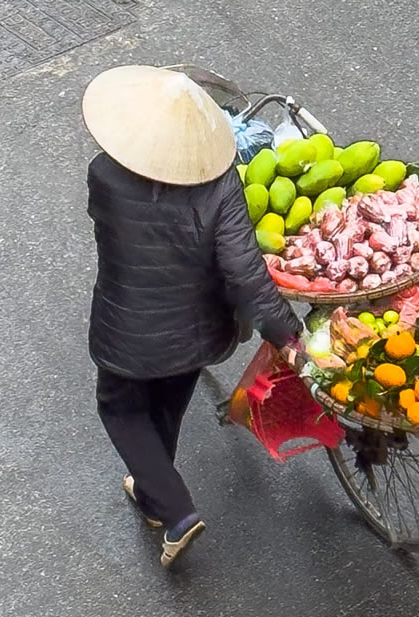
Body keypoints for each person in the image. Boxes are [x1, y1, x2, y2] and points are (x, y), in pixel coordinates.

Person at [82, 65, 302, 568]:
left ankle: (176, 511)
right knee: (166, 401)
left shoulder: (105, 175)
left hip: (126, 328)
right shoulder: (221, 186)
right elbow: (245, 271)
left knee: (121, 408)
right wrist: (286, 332)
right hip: (197, 330)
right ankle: (154, 494)